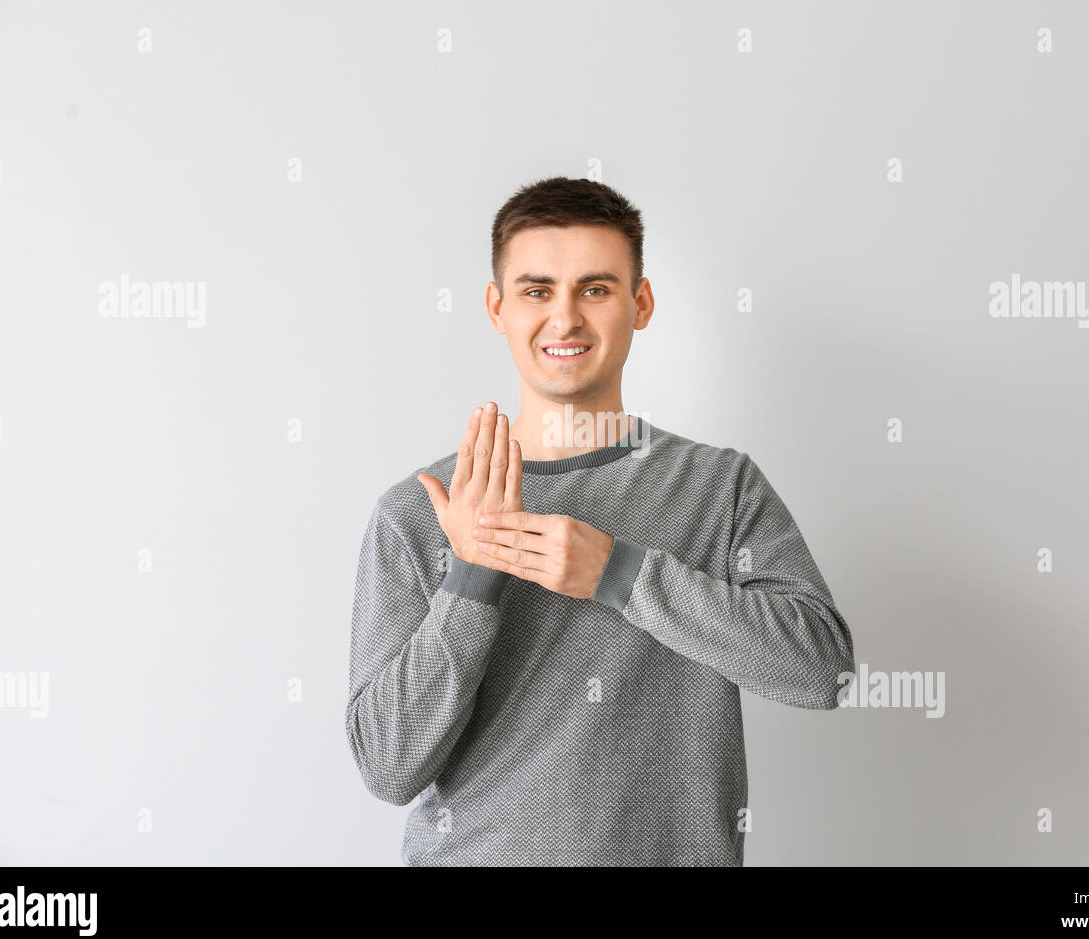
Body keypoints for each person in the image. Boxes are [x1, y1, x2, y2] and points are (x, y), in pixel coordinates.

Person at [345, 175, 854, 866]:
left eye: (595, 288)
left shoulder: (720, 487)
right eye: (536, 290)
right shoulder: (418, 511)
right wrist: (471, 580)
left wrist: (622, 574)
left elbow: (823, 672)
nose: (565, 319)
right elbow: (387, 767)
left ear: (639, 303)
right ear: (497, 307)